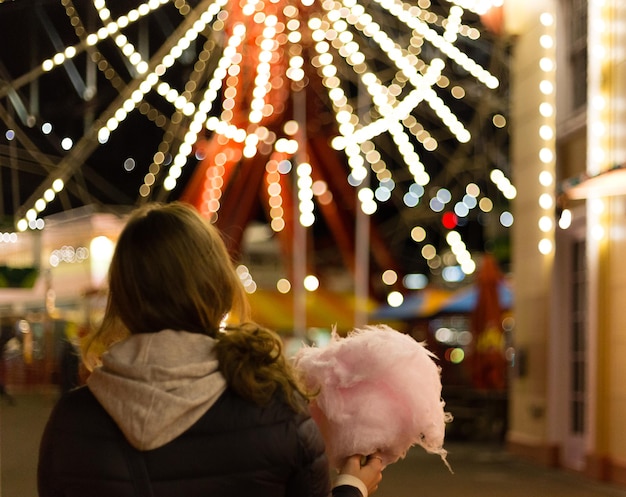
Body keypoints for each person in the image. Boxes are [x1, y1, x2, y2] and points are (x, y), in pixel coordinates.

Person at [38, 201, 383, 497]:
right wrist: (352, 486)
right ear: (217, 284)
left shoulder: (72, 422)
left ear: (123, 295)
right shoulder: (276, 410)